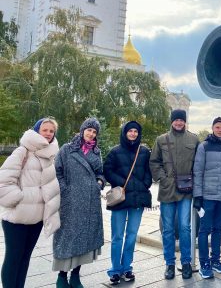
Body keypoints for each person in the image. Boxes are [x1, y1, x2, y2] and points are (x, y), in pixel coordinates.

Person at [0, 118, 60, 288]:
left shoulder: (50, 155)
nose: (48, 134)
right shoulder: (22, 151)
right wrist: (18, 199)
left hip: (37, 218)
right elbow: (3, 181)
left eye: (51, 131)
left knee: (25, 257)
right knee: (13, 257)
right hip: (17, 217)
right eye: (44, 130)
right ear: (36, 131)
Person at [53, 118, 106, 288]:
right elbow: (57, 171)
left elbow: (100, 173)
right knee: (67, 238)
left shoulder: (96, 152)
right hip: (71, 201)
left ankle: (75, 275)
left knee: (85, 239)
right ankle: (62, 276)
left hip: (90, 201)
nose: (91, 134)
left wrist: (99, 183)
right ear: (82, 130)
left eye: (94, 132)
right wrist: (65, 189)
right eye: (89, 130)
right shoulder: (67, 149)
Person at [149, 109, 199, 280]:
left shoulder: (193, 139)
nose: (179, 123)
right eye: (176, 120)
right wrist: (163, 178)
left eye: (181, 120)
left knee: (185, 228)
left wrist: (193, 180)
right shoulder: (161, 139)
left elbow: (198, 163)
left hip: (186, 190)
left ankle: (186, 262)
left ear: (185, 122)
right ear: (172, 121)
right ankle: (169, 263)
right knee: (168, 229)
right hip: (167, 190)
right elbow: (154, 162)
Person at [104, 121, 152, 285]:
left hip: (137, 198)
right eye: (130, 131)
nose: (133, 134)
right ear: (125, 132)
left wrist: (145, 183)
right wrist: (124, 182)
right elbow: (108, 171)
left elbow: (148, 171)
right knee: (117, 236)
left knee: (131, 235)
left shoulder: (144, 152)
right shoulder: (115, 152)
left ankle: (127, 267)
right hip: (121, 199)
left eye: (135, 131)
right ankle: (115, 270)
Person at [193, 117, 221, 279]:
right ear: (212, 128)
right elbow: (198, 171)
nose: (220, 129)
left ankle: (215, 260)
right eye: (217, 127)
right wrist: (197, 195)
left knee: (218, 228)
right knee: (204, 230)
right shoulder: (204, 146)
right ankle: (204, 263)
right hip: (208, 197)